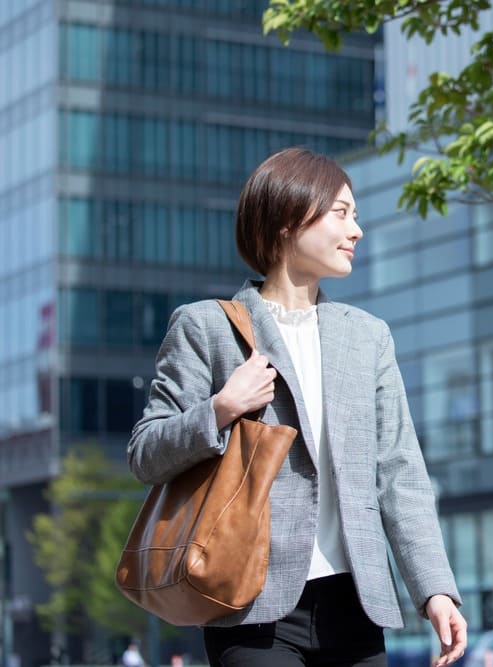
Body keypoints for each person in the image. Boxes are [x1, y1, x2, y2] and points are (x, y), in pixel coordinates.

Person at [128, 147, 466, 667]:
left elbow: (400, 472)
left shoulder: (367, 337)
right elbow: (146, 454)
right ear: (289, 219)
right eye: (341, 213)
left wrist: (434, 589)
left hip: (356, 604)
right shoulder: (208, 327)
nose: (357, 231)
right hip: (250, 604)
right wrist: (220, 409)